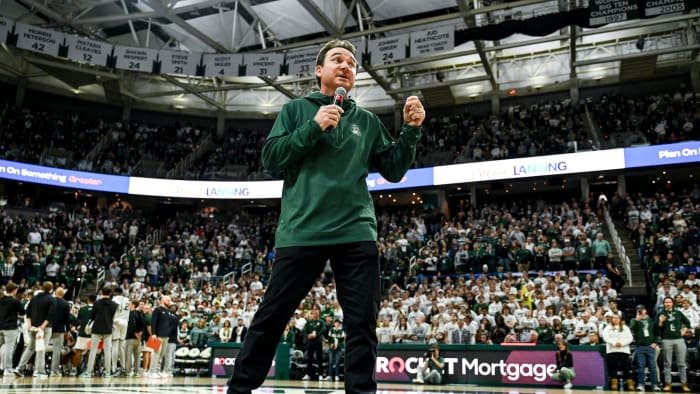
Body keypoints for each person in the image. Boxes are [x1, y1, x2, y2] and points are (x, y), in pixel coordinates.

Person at [226, 38, 424, 394]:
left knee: (362, 323)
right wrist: (313, 126)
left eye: (352, 62)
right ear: (320, 70)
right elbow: (271, 158)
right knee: (271, 318)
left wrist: (410, 131)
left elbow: (394, 171)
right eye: (337, 59)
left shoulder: (367, 120)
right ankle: (239, 389)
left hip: (355, 231)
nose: (346, 66)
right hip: (302, 231)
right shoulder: (296, 110)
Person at [15, 281, 55, 378]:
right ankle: (39, 371)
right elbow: (51, 314)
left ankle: (19, 368)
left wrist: (29, 324)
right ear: (51, 289)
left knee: (30, 348)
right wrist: (43, 326)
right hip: (44, 328)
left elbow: (27, 312)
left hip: (33, 327)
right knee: (41, 348)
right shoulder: (51, 299)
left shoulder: (34, 298)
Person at [656, 296, 692, 392]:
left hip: (679, 339)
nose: (667, 304)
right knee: (667, 363)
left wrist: (684, 330)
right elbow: (656, 329)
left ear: (673, 303)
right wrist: (660, 322)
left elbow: (688, 323)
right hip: (666, 340)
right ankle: (668, 384)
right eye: (666, 302)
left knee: (682, 363)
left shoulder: (678, 313)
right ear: (664, 304)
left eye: (669, 302)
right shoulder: (661, 313)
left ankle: (684, 384)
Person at [81, 286, 117, 378]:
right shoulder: (114, 304)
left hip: (96, 329)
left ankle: (89, 372)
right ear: (110, 293)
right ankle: (108, 372)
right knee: (107, 351)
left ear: (102, 292)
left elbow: (92, 316)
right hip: (108, 329)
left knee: (93, 350)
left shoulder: (97, 303)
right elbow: (113, 317)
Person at [629, 304, 661, 391]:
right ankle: (640, 384)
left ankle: (655, 384)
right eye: (638, 310)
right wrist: (637, 320)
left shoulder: (651, 321)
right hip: (640, 346)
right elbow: (632, 329)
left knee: (652, 366)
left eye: (642, 310)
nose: (640, 311)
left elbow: (656, 333)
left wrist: (655, 342)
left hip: (650, 346)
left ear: (645, 310)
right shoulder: (634, 320)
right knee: (641, 366)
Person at [601, 313, 634, 391]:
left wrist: (622, 344)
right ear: (612, 319)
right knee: (613, 367)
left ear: (620, 319)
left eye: (617, 318)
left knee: (626, 367)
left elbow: (630, 338)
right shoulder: (608, 328)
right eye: (614, 318)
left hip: (624, 350)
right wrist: (614, 343)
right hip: (612, 350)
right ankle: (614, 383)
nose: (615, 319)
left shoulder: (625, 328)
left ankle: (630, 383)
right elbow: (605, 337)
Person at [0, 283, 25, 376]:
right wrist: (16, 315)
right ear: (14, 290)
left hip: (0, 326)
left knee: (2, 347)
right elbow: (23, 312)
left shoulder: (1, 299)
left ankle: (1, 367)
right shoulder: (15, 301)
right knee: (9, 348)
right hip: (10, 327)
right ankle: (8, 369)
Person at [49, 287, 71, 377]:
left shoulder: (50, 301)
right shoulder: (65, 304)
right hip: (59, 329)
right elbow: (67, 319)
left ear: (55, 293)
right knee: (56, 350)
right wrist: (68, 330)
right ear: (63, 294)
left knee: (42, 349)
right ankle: (54, 371)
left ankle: (38, 370)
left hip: (47, 327)